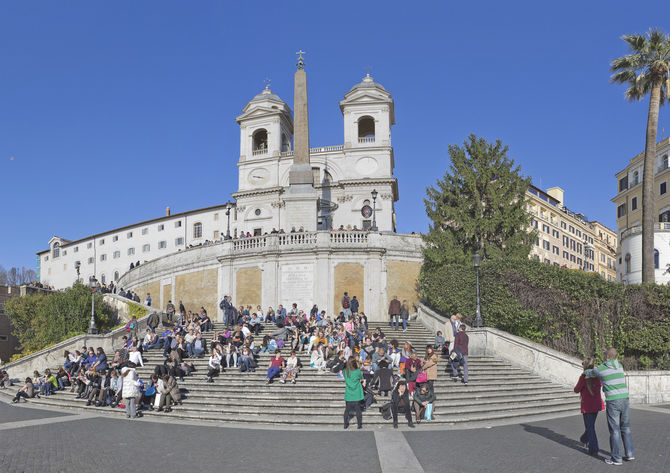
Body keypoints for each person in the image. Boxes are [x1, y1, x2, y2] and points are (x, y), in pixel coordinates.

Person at [584, 348, 635, 465]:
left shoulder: (602, 368)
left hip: (613, 401)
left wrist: (584, 371)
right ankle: (630, 454)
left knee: (615, 430)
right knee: (626, 428)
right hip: (625, 399)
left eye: (604, 355)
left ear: (607, 356)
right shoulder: (620, 366)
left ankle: (616, 459)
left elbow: (590, 373)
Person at [574, 358, 604, 457]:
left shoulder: (583, 377)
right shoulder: (598, 376)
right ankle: (584, 439)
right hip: (596, 404)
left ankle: (593, 448)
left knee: (590, 427)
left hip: (587, 405)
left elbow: (576, 390)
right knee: (590, 426)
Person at [343, 358, 365, 429]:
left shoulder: (345, 371)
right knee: (358, 410)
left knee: (347, 410)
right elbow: (361, 378)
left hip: (349, 393)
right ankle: (359, 425)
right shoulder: (358, 371)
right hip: (356, 393)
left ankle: (345, 424)